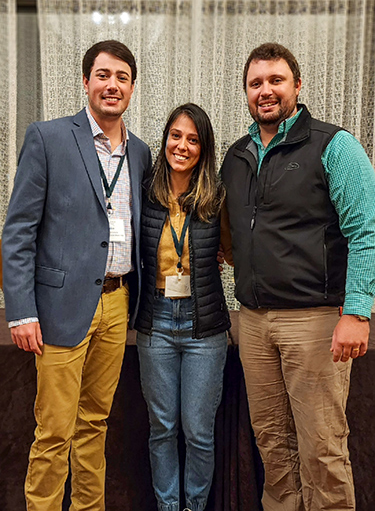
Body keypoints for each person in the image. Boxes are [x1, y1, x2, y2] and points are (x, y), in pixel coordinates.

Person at [221, 42, 375, 511]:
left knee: (322, 448)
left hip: (315, 322)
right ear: (246, 93)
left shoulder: (334, 145)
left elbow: (365, 231)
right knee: (272, 445)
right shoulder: (236, 155)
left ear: (297, 86)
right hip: (252, 321)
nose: (265, 91)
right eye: (255, 84)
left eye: (275, 81)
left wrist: (357, 311)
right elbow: (233, 232)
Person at [1, 39, 151, 511]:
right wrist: (21, 310)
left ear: (132, 88)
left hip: (117, 302)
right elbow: (18, 231)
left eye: (122, 77)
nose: (112, 85)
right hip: (59, 308)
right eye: (103, 75)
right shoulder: (47, 138)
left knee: (94, 424)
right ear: (86, 82)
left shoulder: (141, 152)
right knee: (54, 431)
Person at [135, 103, 230, 511]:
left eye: (193, 139)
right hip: (155, 325)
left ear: (203, 148)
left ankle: (194, 507)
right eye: (176, 135)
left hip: (203, 328)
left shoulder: (217, 196)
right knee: (162, 429)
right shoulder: (144, 192)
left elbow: (234, 249)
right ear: (165, 139)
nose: (183, 145)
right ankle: (168, 506)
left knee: (197, 432)